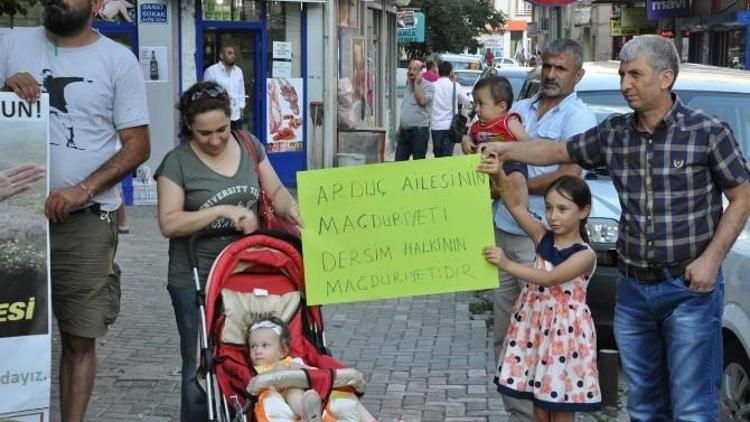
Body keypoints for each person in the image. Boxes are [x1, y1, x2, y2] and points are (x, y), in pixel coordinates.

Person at [483, 34, 750, 421]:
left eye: (635, 75)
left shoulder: (707, 131)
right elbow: (558, 151)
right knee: (642, 405)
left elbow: (742, 196)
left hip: (689, 289)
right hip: (634, 291)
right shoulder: (615, 133)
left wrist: (711, 260)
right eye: (623, 74)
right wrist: (504, 149)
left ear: (665, 78)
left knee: (692, 407)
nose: (625, 84)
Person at [0, 1, 151, 420]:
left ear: (98, 4)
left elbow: (138, 145)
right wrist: (2, 86)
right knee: (8, 330)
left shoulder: (118, 60)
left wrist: (83, 189)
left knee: (80, 337)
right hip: (11, 218)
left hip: (84, 221)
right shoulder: (9, 42)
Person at [464, 38, 597, 422]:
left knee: (545, 342)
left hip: (539, 241)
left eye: (561, 68)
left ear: (578, 75)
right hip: (509, 227)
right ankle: (519, 415)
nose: (551, 74)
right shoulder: (517, 109)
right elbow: (484, 151)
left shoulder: (579, 119)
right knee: (508, 333)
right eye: (548, 66)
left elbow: (570, 174)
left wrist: (511, 182)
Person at [155, 81, 300, 421]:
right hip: (196, 277)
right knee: (199, 364)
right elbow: (169, 223)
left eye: (222, 129)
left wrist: (287, 206)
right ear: (189, 126)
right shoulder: (177, 162)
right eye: (205, 133)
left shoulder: (249, 145)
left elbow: (275, 189)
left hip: (245, 275)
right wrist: (220, 212)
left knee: (247, 354)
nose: (216, 139)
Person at [480, 156, 600, 420]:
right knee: (538, 404)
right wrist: (499, 174)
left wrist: (507, 263)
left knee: (560, 406)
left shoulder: (584, 254)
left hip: (565, 338)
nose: (553, 216)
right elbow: (514, 204)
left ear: (583, 211)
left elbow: (550, 278)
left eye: (562, 209)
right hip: (536, 329)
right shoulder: (542, 236)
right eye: (548, 208)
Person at [248, 317, 378, 422]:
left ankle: (370, 420)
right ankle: (307, 415)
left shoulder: (292, 361)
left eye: (265, 346)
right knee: (292, 391)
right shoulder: (257, 369)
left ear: (283, 351)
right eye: (253, 346)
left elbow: (312, 372)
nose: (257, 351)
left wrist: (300, 368)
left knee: (345, 395)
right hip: (281, 393)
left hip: (307, 389)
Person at [468, 75, 527, 209]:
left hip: (510, 165)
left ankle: (524, 211)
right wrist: (467, 141)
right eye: (474, 104)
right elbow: (469, 138)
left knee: (518, 179)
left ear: (501, 107)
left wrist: (507, 148)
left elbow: (528, 144)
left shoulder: (509, 122)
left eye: (481, 104)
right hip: (486, 168)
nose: (476, 109)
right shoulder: (477, 125)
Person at [429, 61, 469, 158]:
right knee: (447, 157)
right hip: (450, 127)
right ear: (451, 72)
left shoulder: (432, 86)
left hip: (435, 126)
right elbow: (466, 101)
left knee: (437, 156)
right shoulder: (455, 86)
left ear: (438, 71)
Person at [395, 60, 433, 161]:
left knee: (417, 165)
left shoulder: (429, 86)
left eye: (414, 69)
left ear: (421, 72)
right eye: (410, 69)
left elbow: (423, 101)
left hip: (419, 132)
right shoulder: (408, 86)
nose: (411, 72)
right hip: (404, 132)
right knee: (398, 164)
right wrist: (400, 127)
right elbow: (406, 107)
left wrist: (416, 84)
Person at [204, 45, 246, 130]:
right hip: (219, 115)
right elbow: (206, 94)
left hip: (235, 115)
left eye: (234, 53)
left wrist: (241, 107)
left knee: (235, 140)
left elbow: (241, 91)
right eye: (229, 53)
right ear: (221, 55)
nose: (233, 55)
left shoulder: (238, 71)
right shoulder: (211, 71)